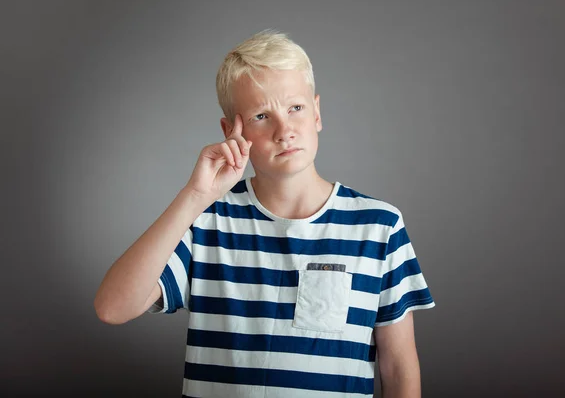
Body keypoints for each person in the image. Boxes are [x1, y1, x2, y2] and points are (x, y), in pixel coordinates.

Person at [94, 29, 435, 398]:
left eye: (296, 108)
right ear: (231, 131)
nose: (284, 130)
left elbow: (399, 368)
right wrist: (194, 196)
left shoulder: (378, 227)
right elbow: (113, 308)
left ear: (317, 112)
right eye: (261, 115)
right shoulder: (207, 221)